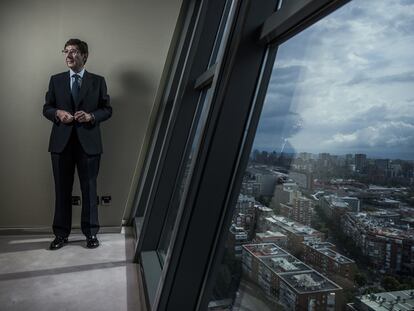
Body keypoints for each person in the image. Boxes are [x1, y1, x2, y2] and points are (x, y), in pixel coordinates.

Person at [43, 38, 112, 250]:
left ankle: (91, 234)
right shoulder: (56, 80)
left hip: (89, 145)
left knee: (89, 189)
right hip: (61, 145)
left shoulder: (98, 81)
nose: (69, 55)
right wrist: (57, 113)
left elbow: (107, 109)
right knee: (61, 190)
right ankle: (61, 235)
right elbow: (46, 107)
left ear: (84, 56)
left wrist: (91, 116)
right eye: (66, 51)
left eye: (73, 51)